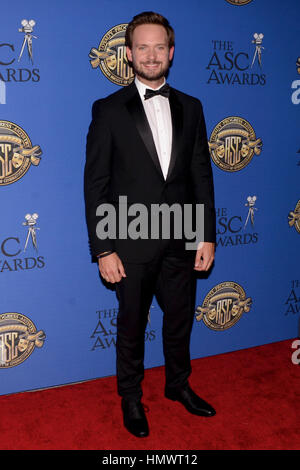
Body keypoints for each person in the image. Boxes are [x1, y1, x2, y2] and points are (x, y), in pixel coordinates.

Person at [84, 11, 216, 438]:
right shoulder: (108, 110)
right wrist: (104, 249)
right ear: (128, 54)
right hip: (130, 239)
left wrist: (205, 235)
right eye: (143, 47)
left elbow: (201, 175)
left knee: (179, 321)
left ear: (171, 52)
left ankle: (178, 386)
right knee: (131, 324)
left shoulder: (192, 108)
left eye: (160, 46)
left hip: (180, 238)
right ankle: (131, 398)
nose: (152, 54)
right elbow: (96, 184)